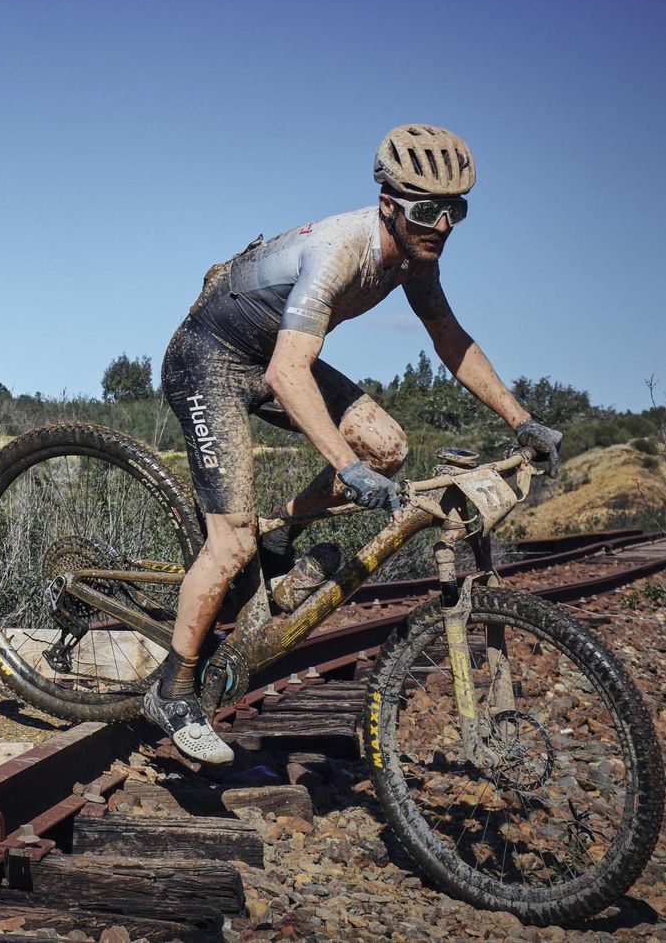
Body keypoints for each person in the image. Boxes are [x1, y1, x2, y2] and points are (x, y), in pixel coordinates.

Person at [145, 124, 563, 764]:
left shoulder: (417, 254)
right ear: (389, 204)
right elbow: (288, 374)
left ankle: (281, 531)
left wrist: (521, 420)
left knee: (387, 448)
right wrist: (342, 466)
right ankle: (173, 689)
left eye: (457, 212)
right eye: (428, 211)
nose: (443, 227)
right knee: (229, 539)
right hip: (212, 359)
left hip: (271, 356)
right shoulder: (344, 251)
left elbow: (449, 338)